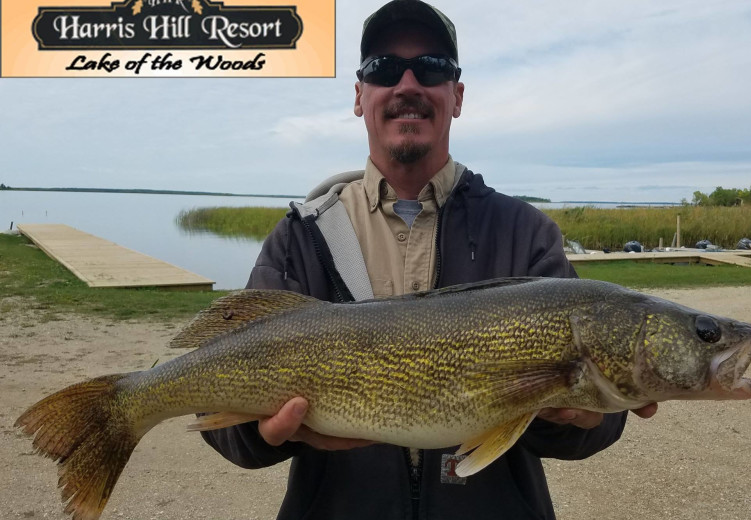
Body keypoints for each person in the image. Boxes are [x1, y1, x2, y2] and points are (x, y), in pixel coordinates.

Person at [201, 1, 657, 518]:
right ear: (359, 95)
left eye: (433, 67)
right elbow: (223, 418)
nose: (408, 84)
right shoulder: (301, 237)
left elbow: (587, 432)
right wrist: (263, 435)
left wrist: (585, 416)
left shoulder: (525, 233)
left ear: (456, 96)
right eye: (384, 69)